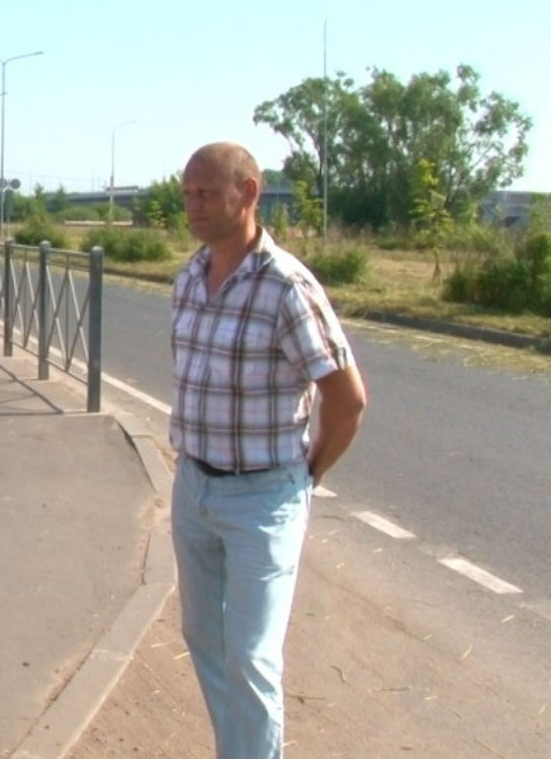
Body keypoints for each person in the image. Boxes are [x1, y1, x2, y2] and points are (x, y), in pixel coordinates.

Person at [169, 142, 368, 759]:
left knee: (250, 656)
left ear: (248, 192)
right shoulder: (190, 277)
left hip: (262, 496)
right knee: (205, 638)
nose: (193, 207)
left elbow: (348, 398)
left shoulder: (286, 287)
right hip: (194, 488)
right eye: (187, 195)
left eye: (206, 193)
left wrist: (305, 476)